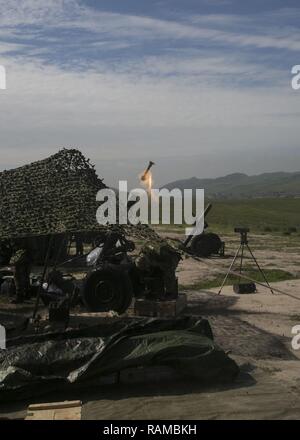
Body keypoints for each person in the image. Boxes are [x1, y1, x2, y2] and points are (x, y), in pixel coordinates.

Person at [10, 239, 33, 304]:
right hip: (26, 259)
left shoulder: (20, 249)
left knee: (18, 278)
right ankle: (27, 294)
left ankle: (19, 297)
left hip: (21, 260)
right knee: (25, 277)